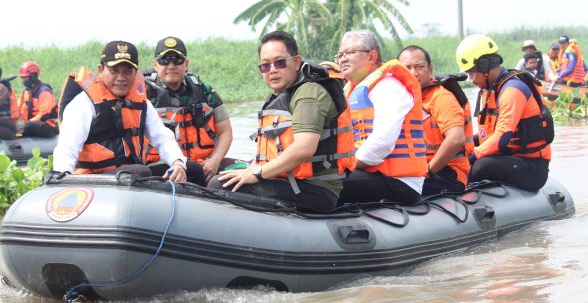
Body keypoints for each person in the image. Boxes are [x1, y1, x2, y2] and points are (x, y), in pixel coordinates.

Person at [210, 31, 355, 212]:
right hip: (290, 180)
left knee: (218, 185)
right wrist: (251, 168)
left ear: (296, 62)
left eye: (279, 62)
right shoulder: (282, 93)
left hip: (316, 189)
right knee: (224, 172)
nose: (272, 70)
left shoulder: (309, 93)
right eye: (265, 66)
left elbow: (304, 148)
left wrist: (258, 173)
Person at [53, 40, 195, 184]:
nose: (121, 78)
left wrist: (177, 163)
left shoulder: (141, 102)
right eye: (114, 71)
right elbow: (67, 148)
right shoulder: (83, 103)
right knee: (140, 172)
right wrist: (62, 178)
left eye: (128, 72)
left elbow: (162, 137)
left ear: (136, 72)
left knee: (192, 169)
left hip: (130, 173)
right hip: (93, 179)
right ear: (101, 70)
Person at [337, 29, 427, 205]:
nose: (343, 59)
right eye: (340, 55)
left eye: (350, 52)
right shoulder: (349, 91)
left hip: (398, 182)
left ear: (371, 56)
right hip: (368, 172)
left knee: (327, 184)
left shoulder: (389, 87)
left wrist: (344, 166)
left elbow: (382, 142)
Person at [456, 34, 552, 191]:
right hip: (508, 158)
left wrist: (471, 157)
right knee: (462, 152)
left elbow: (501, 138)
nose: (472, 80)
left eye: (472, 73)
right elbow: (484, 136)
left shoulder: (512, 91)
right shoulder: (492, 89)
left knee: (481, 166)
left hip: (531, 167)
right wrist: (459, 149)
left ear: (484, 66)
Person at [144, 36, 234, 183]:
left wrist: (215, 160)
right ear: (155, 64)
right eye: (164, 60)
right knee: (192, 170)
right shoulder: (144, 94)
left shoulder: (205, 92)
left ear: (186, 64)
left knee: (243, 168)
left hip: (206, 163)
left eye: (177, 60)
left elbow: (225, 131)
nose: (171, 65)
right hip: (163, 165)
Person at [397, 46, 473, 195]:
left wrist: (429, 170)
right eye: (407, 68)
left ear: (430, 69)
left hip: (445, 172)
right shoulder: (399, 99)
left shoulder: (441, 98)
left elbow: (456, 139)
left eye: (419, 67)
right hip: (412, 168)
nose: (413, 73)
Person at [17, 61, 59, 138]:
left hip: (47, 126)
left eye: (25, 78)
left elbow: (44, 115)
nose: (23, 81)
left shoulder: (44, 91)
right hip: (31, 124)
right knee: (16, 126)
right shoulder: (26, 92)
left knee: (27, 126)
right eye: (22, 78)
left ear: (33, 76)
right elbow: (17, 110)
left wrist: (27, 124)